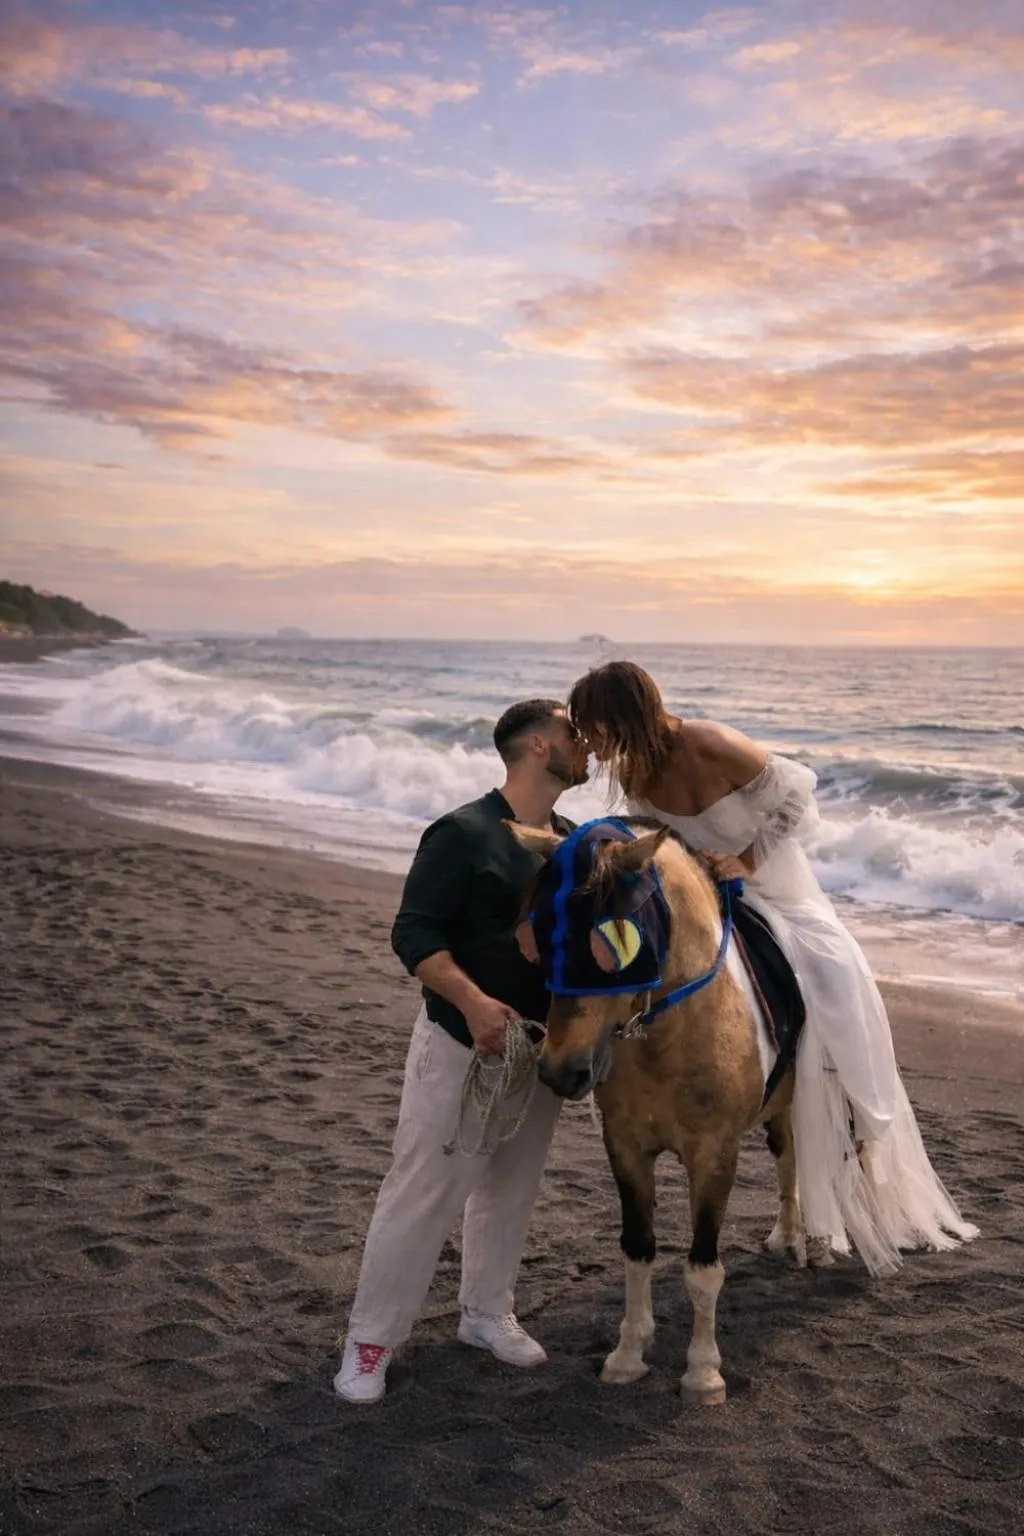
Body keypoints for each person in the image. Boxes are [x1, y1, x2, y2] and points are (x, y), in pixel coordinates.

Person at [566, 660, 977, 1276]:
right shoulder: (633, 767)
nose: (588, 739)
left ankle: (850, 1111)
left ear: (621, 715)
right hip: (705, 900)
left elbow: (798, 798)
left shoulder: (708, 742)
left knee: (835, 974)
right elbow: (655, 839)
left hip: (776, 890)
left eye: (592, 726)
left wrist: (746, 860)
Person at [334, 698, 588, 1403]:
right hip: (460, 1046)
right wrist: (474, 1003)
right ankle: (370, 1340)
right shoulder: (463, 832)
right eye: (574, 732)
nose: (589, 745)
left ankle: (484, 1313)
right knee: (422, 1194)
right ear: (538, 746)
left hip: (537, 1051)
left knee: (510, 1191)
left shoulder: (571, 841)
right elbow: (414, 934)